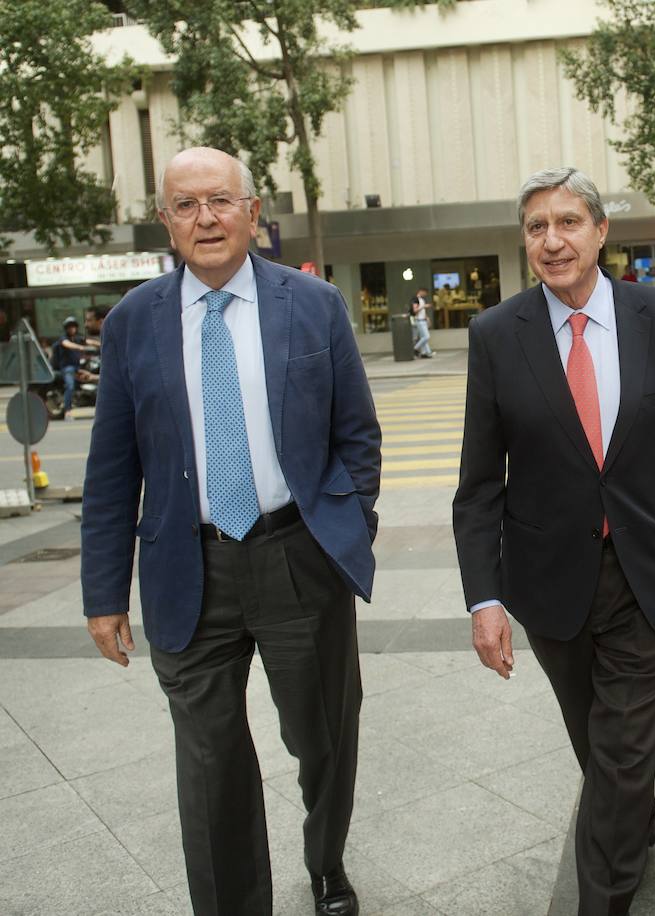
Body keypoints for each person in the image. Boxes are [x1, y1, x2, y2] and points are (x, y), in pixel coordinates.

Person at [80, 147, 381, 916]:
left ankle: (325, 862)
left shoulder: (312, 307)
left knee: (323, 738)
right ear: (165, 222)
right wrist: (103, 594)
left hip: (297, 561)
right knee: (210, 763)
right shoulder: (131, 325)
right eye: (185, 205)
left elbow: (359, 437)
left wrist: (346, 529)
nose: (205, 218)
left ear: (253, 212)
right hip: (188, 568)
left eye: (220, 201)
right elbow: (113, 471)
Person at [452, 167, 655, 915]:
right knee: (596, 742)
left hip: (650, 570)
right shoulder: (496, 335)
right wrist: (485, 598)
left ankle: (601, 899)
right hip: (550, 581)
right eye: (537, 227)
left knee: (624, 743)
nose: (552, 239)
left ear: (601, 232)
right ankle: (636, 821)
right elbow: (478, 485)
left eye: (569, 222)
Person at [51, 316, 96, 419]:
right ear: (66, 329)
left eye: (73, 327)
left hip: (78, 366)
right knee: (70, 386)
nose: (72, 329)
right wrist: (81, 347)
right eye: (69, 327)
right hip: (67, 368)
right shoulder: (64, 338)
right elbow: (67, 344)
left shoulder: (77, 337)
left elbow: (89, 341)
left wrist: (102, 344)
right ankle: (67, 412)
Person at [411, 287, 434, 357]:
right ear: (421, 291)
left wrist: (427, 318)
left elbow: (423, 312)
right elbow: (415, 310)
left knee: (423, 337)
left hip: (423, 320)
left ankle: (425, 353)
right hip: (419, 320)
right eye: (425, 293)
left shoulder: (422, 300)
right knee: (426, 336)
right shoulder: (415, 299)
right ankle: (415, 348)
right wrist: (424, 306)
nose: (425, 294)